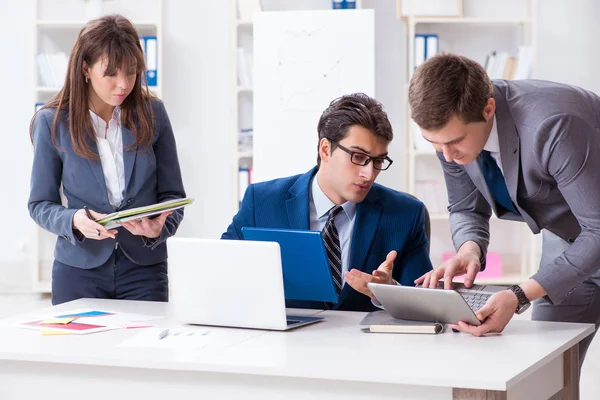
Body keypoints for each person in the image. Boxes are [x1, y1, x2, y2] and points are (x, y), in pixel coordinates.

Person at [408, 53, 600, 367]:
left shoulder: (553, 125)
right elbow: (465, 205)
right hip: (568, 241)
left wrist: (518, 294)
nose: (447, 155)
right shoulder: (450, 139)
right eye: (434, 143)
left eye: (454, 142)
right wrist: (469, 249)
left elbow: (598, 231)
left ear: (488, 109)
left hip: (594, 231)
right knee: (546, 369)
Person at [222, 93, 433, 311]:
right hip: (286, 341)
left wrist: (390, 291)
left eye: (379, 161)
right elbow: (221, 271)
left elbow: (426, 307)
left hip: (366, 343)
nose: (369, 174)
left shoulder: (405, 214)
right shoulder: (263, 202)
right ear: (325, 150)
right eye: (359, 157)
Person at [28, 15, 186, 305]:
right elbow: (40, 205)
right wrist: (74, 220)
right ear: (86, 69)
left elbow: (173, 196)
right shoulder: (52, 123)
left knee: (145, 349)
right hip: (78, 271)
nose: (123, 84)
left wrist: (159, 228)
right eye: (111, 73)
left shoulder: (153, 114)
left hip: (144, 270)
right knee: (77, 351)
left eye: (132, 72)